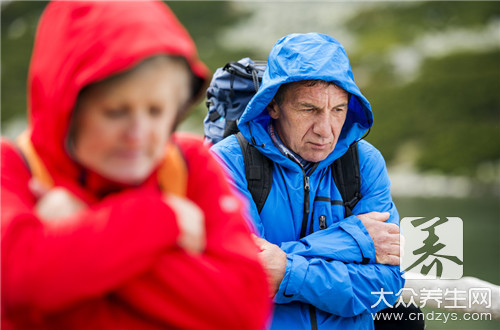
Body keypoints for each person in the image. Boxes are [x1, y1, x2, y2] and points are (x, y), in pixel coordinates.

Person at [1, 1, 270, 329]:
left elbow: (244, 310)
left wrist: (79, 231)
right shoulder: (12, 168)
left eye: (156, 111)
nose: (139, 134)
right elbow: (20, 284)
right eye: (116, 111)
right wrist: (161, 218)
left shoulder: (188, 164)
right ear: (66, 107)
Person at [211, 33, 406, 329]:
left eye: (338, 110)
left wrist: (287, 270)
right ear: (272, 106)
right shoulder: (227, 162)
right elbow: (244, 274)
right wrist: (358, 240)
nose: (326, 130)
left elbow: (389, 282)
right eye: (309, 109)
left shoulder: (364, 162)